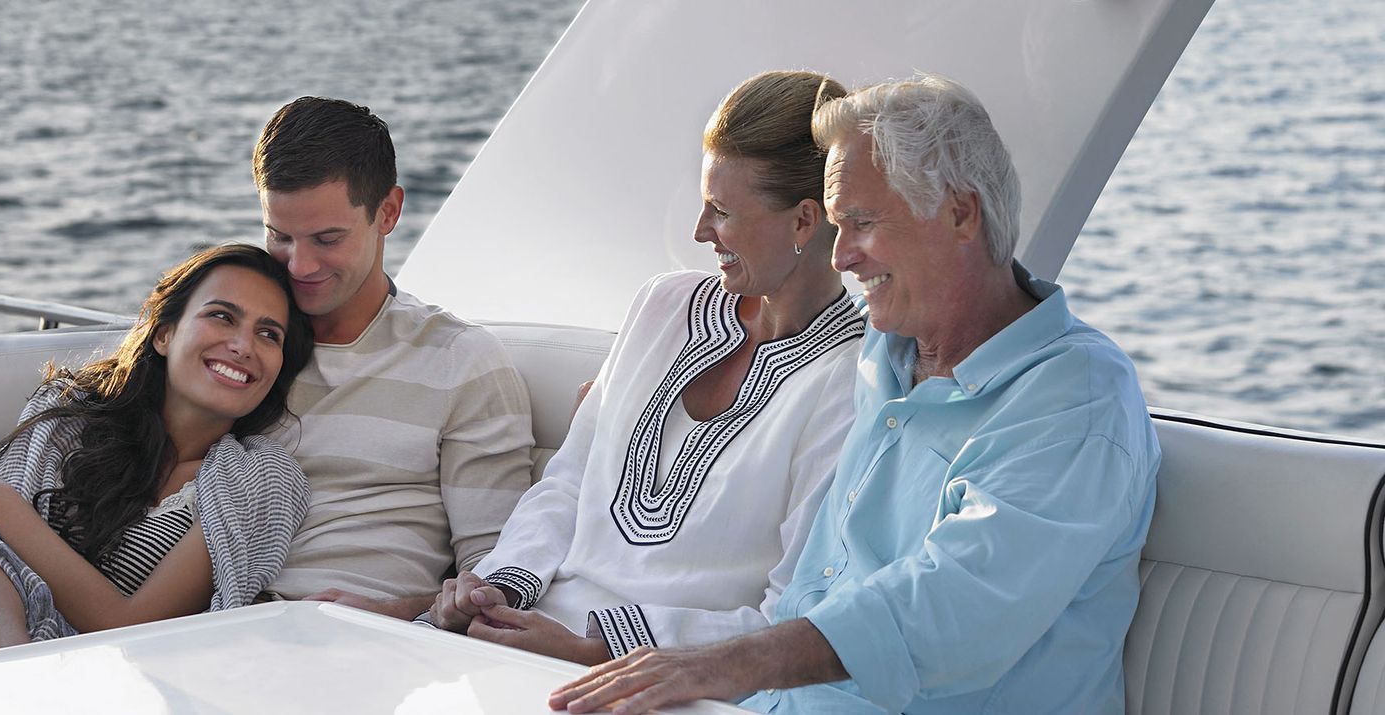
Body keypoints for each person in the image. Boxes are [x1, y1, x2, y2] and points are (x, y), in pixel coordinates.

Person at [550, 74, 1160, 715]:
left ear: (960, 214)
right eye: (837, 226)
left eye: (862, 224)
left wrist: (724, 664)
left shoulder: (1076, 398)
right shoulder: (881, 347)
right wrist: (616, 415)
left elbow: (955, 606)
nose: (840, 258)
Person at [421, 71, 864, 666]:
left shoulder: (850, 381)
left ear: (804, 222)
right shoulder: (663, 304)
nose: (700, 231)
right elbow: (569, 481)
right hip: (523, 629)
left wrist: (595, 650)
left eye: (721, 211)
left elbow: (787, 615)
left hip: (660, 677)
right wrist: (496, 589)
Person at [0, 244, 316, 715]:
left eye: (268, 334)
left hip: (70, 688)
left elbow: (131, 628)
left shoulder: (259, 480)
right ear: (164, 333)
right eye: (222, 316)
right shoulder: (68, 416)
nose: (242, 345)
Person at [250, 96, 539, 617]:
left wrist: (393, 613)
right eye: (280, 237)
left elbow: (498, 577)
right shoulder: (238, 349)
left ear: (387, 212)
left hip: (365, 640)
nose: (299, 265)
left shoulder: (461, 362)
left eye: (327, 239)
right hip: (213, 620)